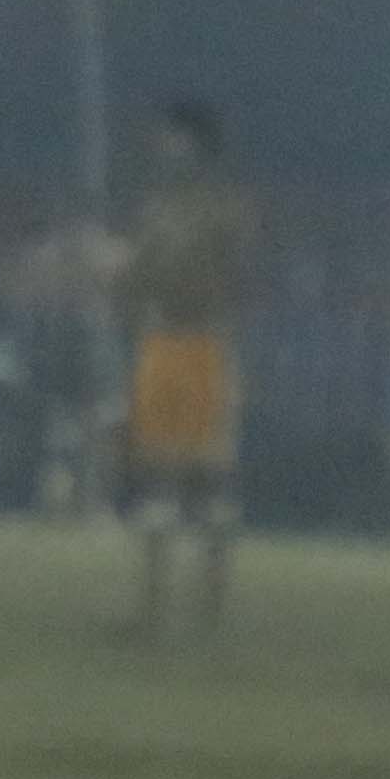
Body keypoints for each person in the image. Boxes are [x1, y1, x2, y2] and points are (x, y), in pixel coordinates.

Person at [115, 98, 258, 638]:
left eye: (173, 138)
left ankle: (210, 615)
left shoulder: (226, 210)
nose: (163, 149)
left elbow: (235, 277)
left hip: (204, 347)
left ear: (198, 144)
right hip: (161, 345)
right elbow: (139, 278)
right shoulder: (156, 209)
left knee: (209, 481)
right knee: (156, 476)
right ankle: (150, 613)